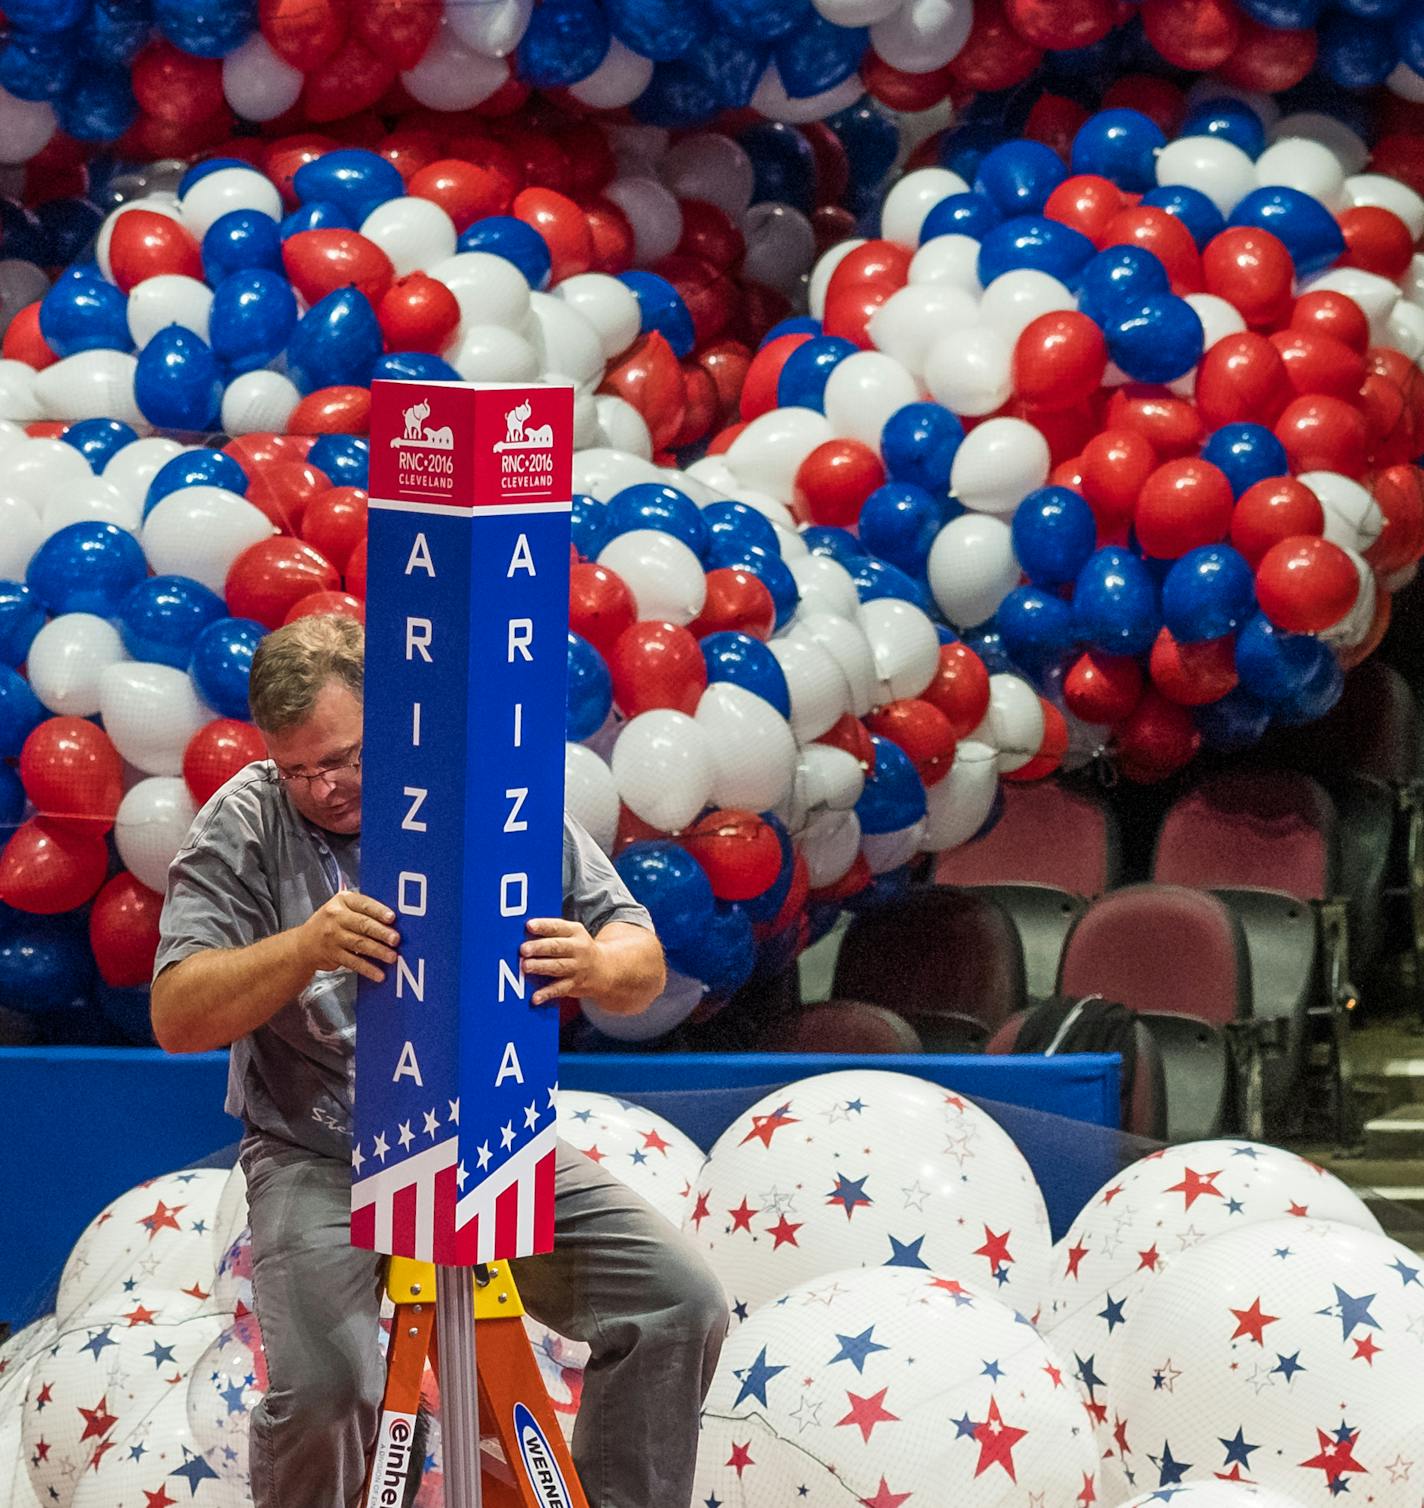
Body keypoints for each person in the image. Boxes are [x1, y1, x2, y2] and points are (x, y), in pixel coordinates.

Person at [151, 614, 728, 1508]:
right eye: (300, 769)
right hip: (319, 1150)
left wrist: (599, 962)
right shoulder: (247, 819)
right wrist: (301, 948)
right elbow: (177, 1016)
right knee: (325, 1391)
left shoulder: (480, 781)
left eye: (344, 758)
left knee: (679, 1302)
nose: (327, 788)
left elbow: (640, 959)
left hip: (485, 1135)